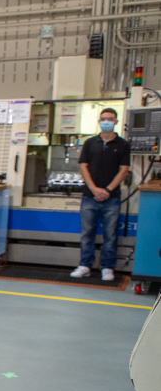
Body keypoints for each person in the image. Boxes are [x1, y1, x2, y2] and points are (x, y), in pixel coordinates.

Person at [70, 108, 130, 281]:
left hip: (112, 198)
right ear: (99, 121)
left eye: (110, 119)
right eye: (103, 119)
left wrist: (108, 190)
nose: (106, 122)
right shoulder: (90, 143)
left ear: (116, 122)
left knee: (110, 234)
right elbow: (83, 167)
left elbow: (124, 170)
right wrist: (95, 189)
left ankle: (107, 267)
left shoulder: (123, 145)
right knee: (87, 232)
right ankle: (85, 265)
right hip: (90, 196)